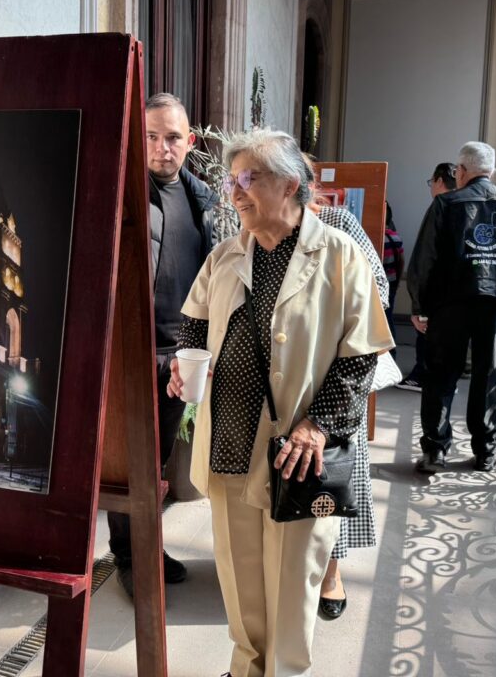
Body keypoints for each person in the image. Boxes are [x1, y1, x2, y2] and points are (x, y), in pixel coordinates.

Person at [169, 129, 394, 677]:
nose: (236, 192)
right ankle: (246, 666)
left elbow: (362, 353)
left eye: (249, 179)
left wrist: (318, 426)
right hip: (228, 444)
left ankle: (284, 671)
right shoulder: (226, 255)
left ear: (291, 184)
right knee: (240, 576)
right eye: (233, 180)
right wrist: (183, 368)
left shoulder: (339, 253)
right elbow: (193, 326)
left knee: (293, 582)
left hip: (298, 453)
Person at [108, 92, 217, 597]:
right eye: (151, 137)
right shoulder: (123, 193)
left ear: (189, 142)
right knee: (129, 461)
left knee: (157, 461)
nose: (161, 148)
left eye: (172, 137)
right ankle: (130, 558)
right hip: (132, 350)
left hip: (181, 354)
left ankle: (148, 547)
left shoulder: (203, 198)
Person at [408, 142, 496, 474]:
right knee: (487, 373)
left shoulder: (445, 204)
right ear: (491, 171)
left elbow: (425, 260)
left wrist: (419, 306)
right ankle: (484, 451)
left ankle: (435, 451)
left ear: (461, 172)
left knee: (441, 374)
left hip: (449, 304)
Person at [301, 156, 386, 621]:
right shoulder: (254, 229)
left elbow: (378, 292)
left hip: (336, 376)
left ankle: (332, 573)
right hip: (279, 382)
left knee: (334, 476)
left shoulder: (338, 222)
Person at [397, 162, 456, 392]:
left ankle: (422, 376)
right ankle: (445, 379)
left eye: (432, 181)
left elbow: (424, 257)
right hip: (458, 294)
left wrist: (417, 305)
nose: (431, 186)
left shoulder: (440, 206)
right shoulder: (465, 206)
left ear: (440, 181)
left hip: (434, 292)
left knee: (427, 335)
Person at [382, 203, 404, 357]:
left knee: (383, 319)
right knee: (389, 317)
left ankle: (388, 353)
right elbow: (401, 260)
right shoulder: (395, 236)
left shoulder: (377, 237)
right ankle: (392, 352)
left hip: (381, 284)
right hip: (393, 281)